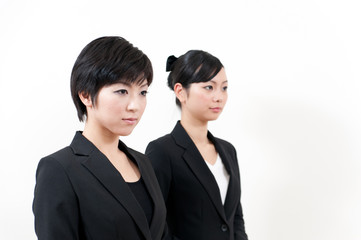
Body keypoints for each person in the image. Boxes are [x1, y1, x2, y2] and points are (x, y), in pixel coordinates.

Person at [33, 36, 167, 240]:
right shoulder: (59, 169)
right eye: (122, 91)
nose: (135, 105)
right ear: (85, 95)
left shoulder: (143, 162)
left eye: (142, 92)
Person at [145, 50, 248, 240]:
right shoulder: (162, 151)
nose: (219, 96)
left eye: (224, 88)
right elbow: (156, 224)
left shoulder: (228, 150)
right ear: (180, 92)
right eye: (209, 87)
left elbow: (235, 218)